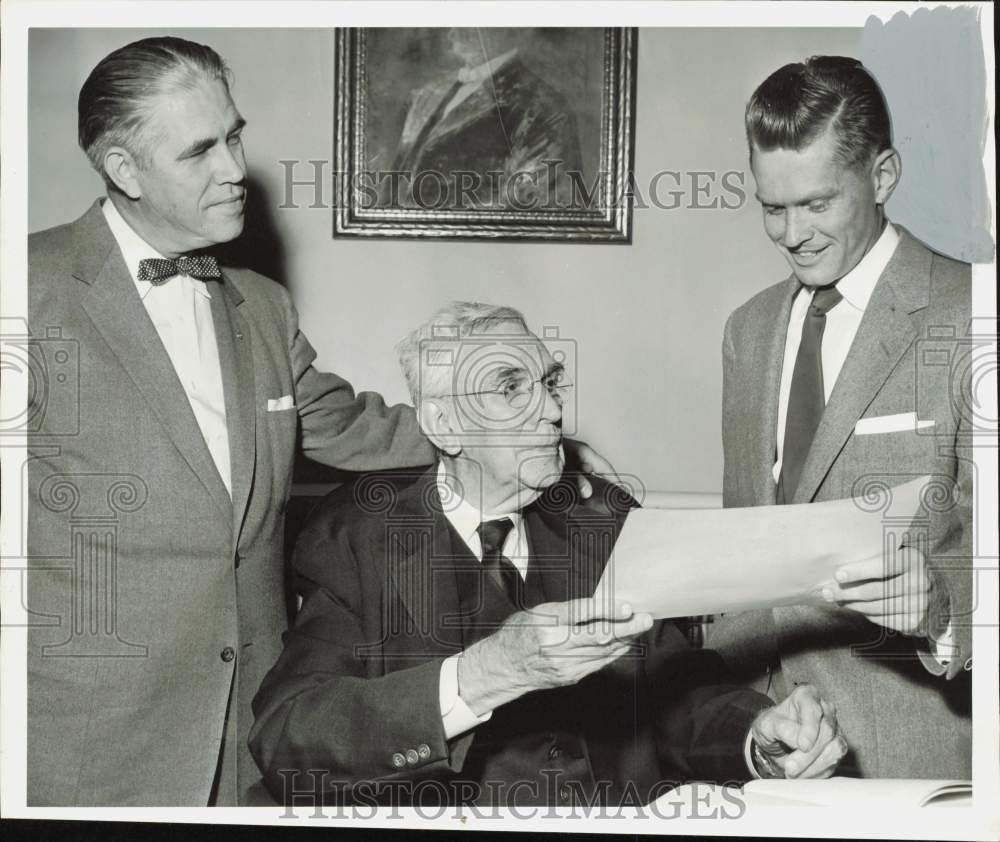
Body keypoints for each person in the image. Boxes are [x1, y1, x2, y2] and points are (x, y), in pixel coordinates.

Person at [26, 36, 612, 807]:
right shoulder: (28, 286)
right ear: (124, 170)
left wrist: (511, 433)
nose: (236, 169)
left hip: (251, 739)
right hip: (91, 735)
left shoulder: (261, 308)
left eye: (234, 135)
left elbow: (351, 427)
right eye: (199, 151)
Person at [249, 302, 847, 808]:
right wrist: (482, 676)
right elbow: (287, 735)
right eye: (511, 388)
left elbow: (676, 692)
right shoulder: (359, 541)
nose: (554, 412)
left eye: (550, 383)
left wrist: (755, 732)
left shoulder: (602, 522)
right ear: (444, 424)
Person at [707, 56, 972, 778]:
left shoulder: (975, 317)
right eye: (772, 207)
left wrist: (942, 608)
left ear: (882, 176)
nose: (792, 234)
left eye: (817, 204)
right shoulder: (748, 330)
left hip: (913, 760)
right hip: (764, 746)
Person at [382, 28, 584, 210]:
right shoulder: (428, 93)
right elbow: (394, 183)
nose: (453, 31)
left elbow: (539, 205)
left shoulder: (543, 105)